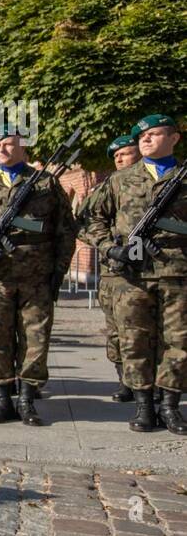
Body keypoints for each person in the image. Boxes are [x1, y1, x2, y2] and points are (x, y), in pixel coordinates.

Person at [0, 129, 78, 426]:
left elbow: (66, 231)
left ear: (24, 148)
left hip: (36, 278)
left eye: (9, 144)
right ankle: (2, 399)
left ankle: (27, 399)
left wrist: (58, 273)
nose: (2, 149)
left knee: (35, 340)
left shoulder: (46, 184)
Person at [82, 114, 187, 434]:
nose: (146, 139)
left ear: (174, 139)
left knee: (178, 341)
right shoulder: (119, 180)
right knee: (133, 341)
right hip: (131, 277)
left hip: (177, 273)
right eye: (142, 137)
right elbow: (89, 220)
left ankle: (169, 406)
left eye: (155, 134)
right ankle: (144, 406)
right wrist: (110, 248)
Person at [76, 133, 141, 403]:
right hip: (116, 272)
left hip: (160, 270)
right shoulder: (108, 187)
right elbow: (83, 223)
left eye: (124, 153)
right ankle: (124, 378)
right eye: (116, 156)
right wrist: (107, 246)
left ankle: (155, 386)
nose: (120, 159)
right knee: (117, 330)